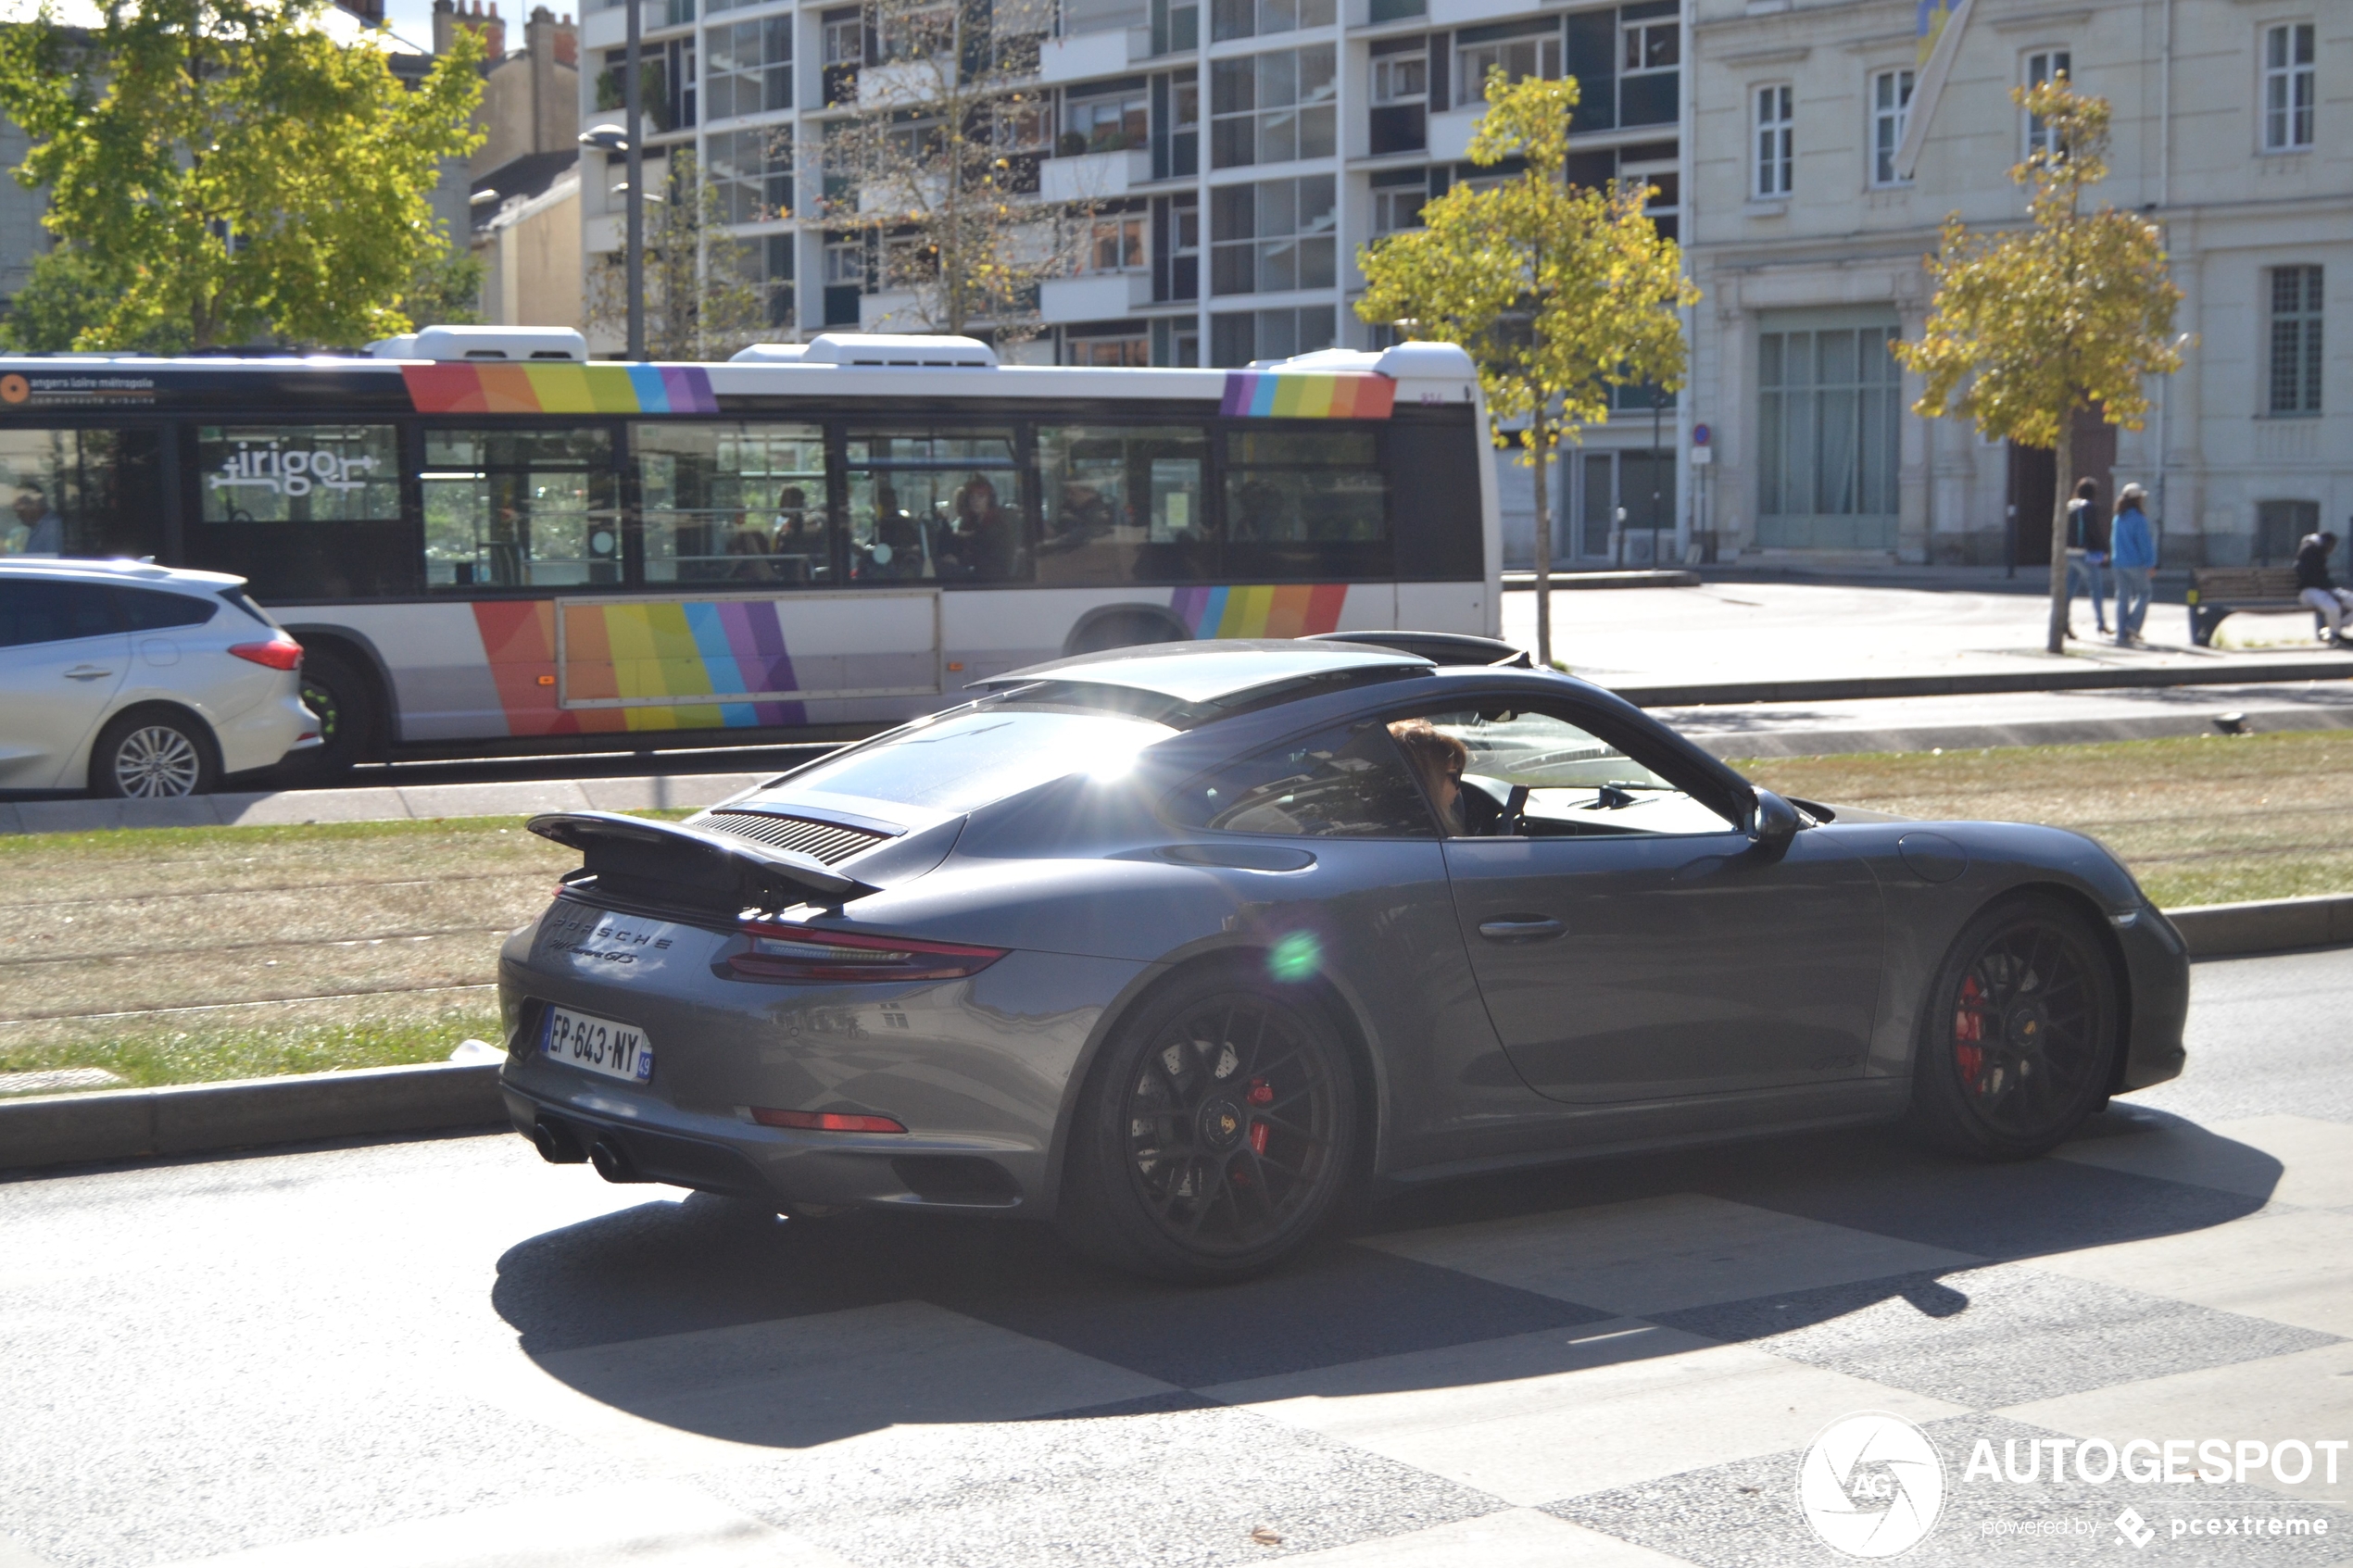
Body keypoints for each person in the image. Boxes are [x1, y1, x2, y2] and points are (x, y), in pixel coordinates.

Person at [2108, 482, 2156, 646]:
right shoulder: (2139, 519)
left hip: (2118, 562)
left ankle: (2121, 633)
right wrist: (2150, 563)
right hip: (2135, 563)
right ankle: (2132, 625)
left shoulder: (2117, 518)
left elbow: (2113, 541)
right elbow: (2145, 544)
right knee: (2144, 593)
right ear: (2138, 500)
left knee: (2122, 598)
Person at [2063, 478, 2109, 638]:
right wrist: (2104, 549)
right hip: (2085, 553)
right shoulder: (2088, 507)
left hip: (2069, 552)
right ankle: (2101, 623)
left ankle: (2063, 623)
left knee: (2068, 591)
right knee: (2096, 589)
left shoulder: (2070, 505)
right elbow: (2094, 530)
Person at [2296, 530, 2352, 646]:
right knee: (2333, 607)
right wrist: (2329, 591)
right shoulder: (2310, 550)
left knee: (2346, 602)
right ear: (2328, 543)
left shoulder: (2318, 551)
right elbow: (2308, 577)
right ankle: (2334, 633)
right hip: (2309, 591)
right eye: (2333, 545)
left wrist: (2330, 590)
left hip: (2323, 589)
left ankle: (2333, 630)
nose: (2333, 549)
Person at [12, 485, 62, 556]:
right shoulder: (37, 528)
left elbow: (52, 562)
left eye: (21, 511)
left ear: (35, 504)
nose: (18, 516)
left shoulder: (52, 528)